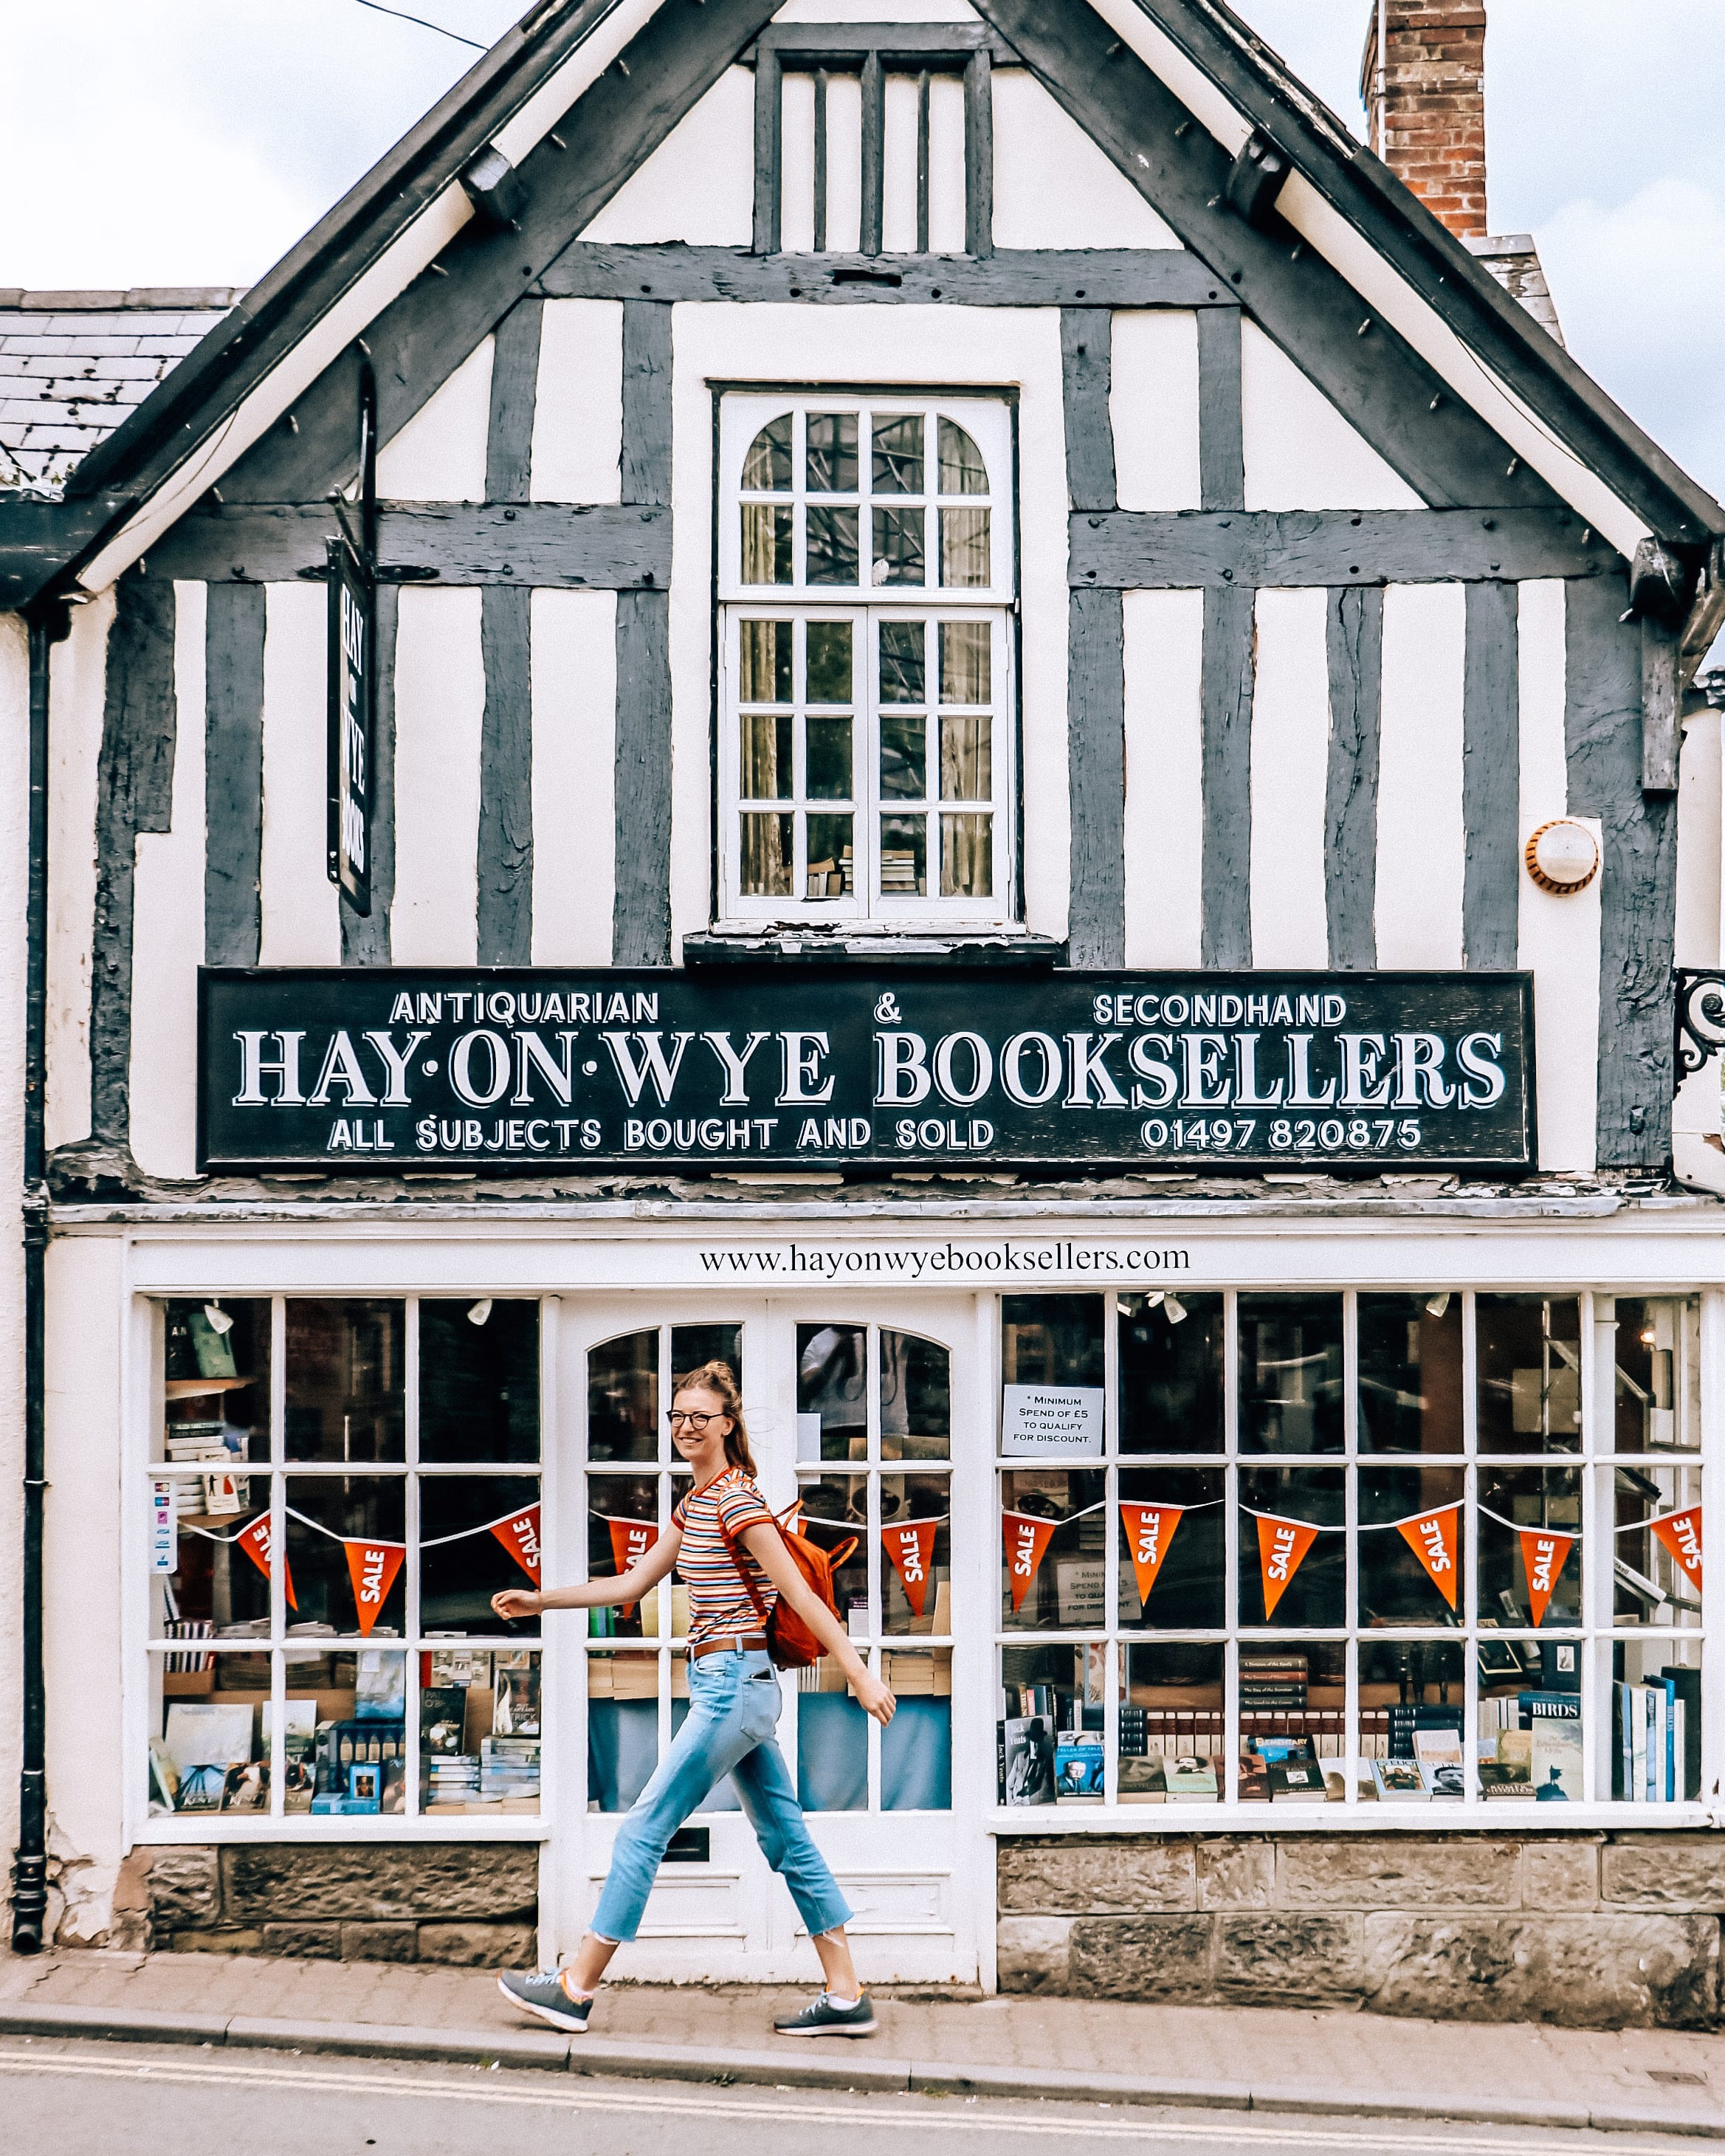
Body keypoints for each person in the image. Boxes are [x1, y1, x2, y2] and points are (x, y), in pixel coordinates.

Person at [492, 1360, 895, 2039]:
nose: (685, 1426)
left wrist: (859, 1672)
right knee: (787, 1838)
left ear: (726, 1425)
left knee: (643, 1829)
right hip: (732, 1686)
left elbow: (800, 1594)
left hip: (733, 1685)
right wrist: (541, 1600)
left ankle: (575, 1985)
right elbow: (631, 1584)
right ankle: (845, 1992)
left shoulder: (736, 1500)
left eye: (699, 1417)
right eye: (677, 1416)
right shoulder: (695, 1502)